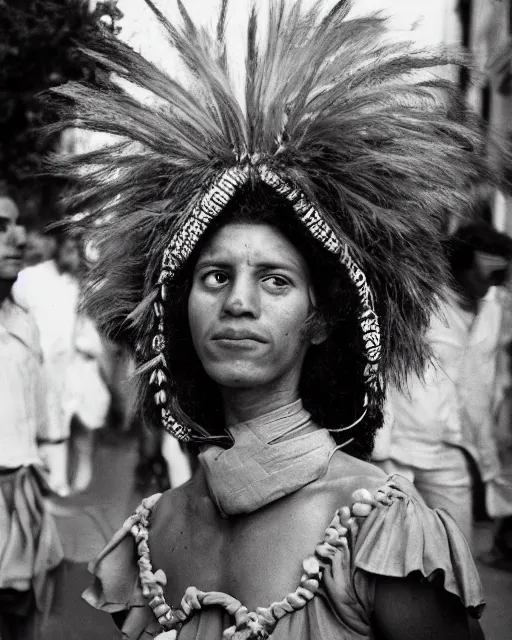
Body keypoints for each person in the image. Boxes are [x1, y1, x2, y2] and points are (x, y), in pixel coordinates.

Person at [51, 1, 512, 638]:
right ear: (181, 309)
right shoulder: (152, 533)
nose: (239, 302)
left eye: (275, 280)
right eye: (215, 277)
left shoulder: (379, 528)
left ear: (320, 320)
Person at [375, 222, 512, 546]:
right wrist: (378, 443)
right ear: (462, 265)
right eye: (489, 272)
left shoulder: (493, 309)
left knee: (457, 548)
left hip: (453, 445)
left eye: (502, 273)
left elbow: (484, 377)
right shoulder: (419, 302)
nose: (496, 282)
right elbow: (380, 367)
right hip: (400, 445)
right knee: (390, 546)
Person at [0, 188, 64, 639]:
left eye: (17, 224)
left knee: (22, 609)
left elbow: (42, 426)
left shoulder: (25, 322)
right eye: (0, 228)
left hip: (21, 490)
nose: (18, 237)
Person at [14, 232, 111, 495]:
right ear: (58, 248)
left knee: (80, 418)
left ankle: (74, 476)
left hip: (72, 363)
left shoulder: (76, 283)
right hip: (40, 364)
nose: (72, 256)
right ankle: (50, 481)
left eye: (76, 251)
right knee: (46, 423)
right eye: (69, 249)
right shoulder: (29, 278)